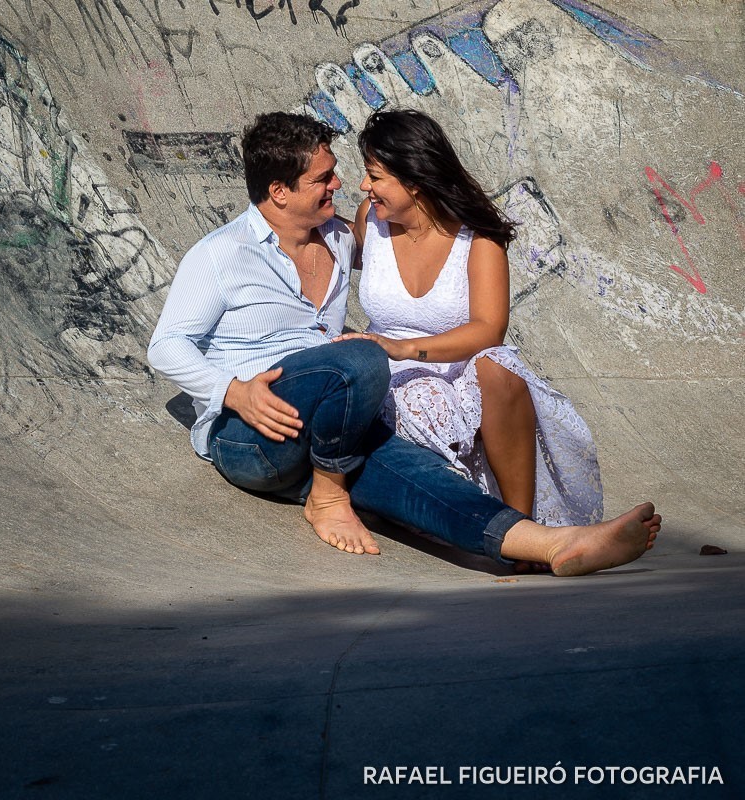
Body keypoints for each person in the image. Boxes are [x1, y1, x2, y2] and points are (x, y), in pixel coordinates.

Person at [147, 110, 658, 575]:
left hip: (332, 433)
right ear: (280, 191)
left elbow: (422, 256)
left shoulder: (341, 238)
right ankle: (327, 494)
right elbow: (165, 345)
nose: (340, 184)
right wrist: (235, 391)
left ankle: (553, 546)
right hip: (252, 434)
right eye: (323, 178)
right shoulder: (220, 254)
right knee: (362, 356)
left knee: (424, 484)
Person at [343, 108, 601, 527]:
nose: (364, 186)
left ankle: (520, 527)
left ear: (414, 180)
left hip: (456, 371)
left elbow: (488, 329)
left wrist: (405, 347)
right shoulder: (369, 220)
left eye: (374, 176)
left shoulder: (478, 238)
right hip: (385, 371)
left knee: (499, 366)